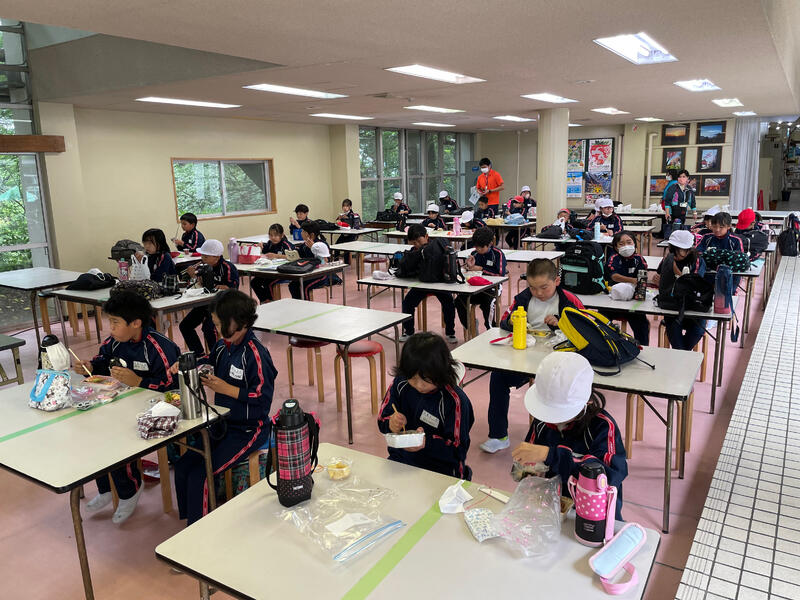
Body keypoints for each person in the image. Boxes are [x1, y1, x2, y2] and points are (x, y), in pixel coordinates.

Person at [73, 291, 180, 524]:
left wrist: (140, 381)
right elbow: (102, 361)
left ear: (136, 323)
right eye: (109, 322)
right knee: (93, 428)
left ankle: (129, 489)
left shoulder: (159, 347)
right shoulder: (114, 342)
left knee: (118, 433)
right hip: (125, 402)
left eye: (115, 322)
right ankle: (106, 487)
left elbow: (173, 388)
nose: (110, 328)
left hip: (157, 409)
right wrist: (89, 366)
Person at [173, 290, 276, 525]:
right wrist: (189, 365)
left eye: (219, 324)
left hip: (250, 429)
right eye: (215, 323)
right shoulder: (222, 346)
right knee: (183, 465)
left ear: (240, 323)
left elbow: (262, 399)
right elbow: (209, 362)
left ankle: (198, 529)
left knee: (200, 474)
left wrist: (227, 388)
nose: (215, 329)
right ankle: (190, 521)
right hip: (222, 423)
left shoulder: (256, 354)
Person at [481, 259, 584, 453]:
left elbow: (586, 329)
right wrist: (511, 322)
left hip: (558, 361)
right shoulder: (523, 298)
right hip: (526, 357)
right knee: (498, 377)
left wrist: (562, 323)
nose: (538, 293)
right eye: (533, 287)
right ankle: (498, 435)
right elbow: (504, 321)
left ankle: (559, 442)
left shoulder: (569, 300)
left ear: (557, 281)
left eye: (544, 287)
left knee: (555, 389)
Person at [511, 352, 627, 519]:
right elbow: (528, 461)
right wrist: (528, 471)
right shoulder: (543, 422)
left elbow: (608, 477)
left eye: (558, 413)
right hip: (552, 509)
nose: (551, 419)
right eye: (547, 411)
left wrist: (550, 455)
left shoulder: (602, 426)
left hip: (595, 515)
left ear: (587, 401)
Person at [377, 333, 474, 479]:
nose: (419, 385)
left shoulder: (454, 401)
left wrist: (426, 442)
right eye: (413, 378)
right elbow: (382, 419)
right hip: (401, 461)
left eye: (426, 380)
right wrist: (391, 423)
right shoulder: (400, 384)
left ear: (441, 373)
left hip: (441, 470)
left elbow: (458, 451)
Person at [179, 239, 239, 356]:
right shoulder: (203, 266)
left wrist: (224, 287)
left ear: (216, 257)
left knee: (209, 328)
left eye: (206, 257)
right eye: (202, 256)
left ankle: (216, 356)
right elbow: (201, 286)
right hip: (205, 304)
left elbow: (233, 289)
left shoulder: (227, 267)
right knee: (185, 326)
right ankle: (199, 354)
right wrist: (194, 276)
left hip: (223, 305)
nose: (202, 259)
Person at [398, 224, 457, 343]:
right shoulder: (415, 251)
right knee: (407, 303)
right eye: (413, 243)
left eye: (418, 241)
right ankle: (409, 331)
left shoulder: (437, 248)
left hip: (439, 283)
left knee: (449, 303)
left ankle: (450, 332)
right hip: (423, 284)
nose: (417, 245)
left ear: (426, 236)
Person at [653, 230, 707, 350]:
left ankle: (682, 354)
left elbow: (694, 285)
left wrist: (676, 272)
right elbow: (658, 276)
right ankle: (683, 354)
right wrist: (658, 280)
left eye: (679, 250)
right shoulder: (668, 258)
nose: (675, 254)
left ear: (689, 250)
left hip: (694, 308)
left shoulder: (697, 261)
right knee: (674, 331)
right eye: (672, 249)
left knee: (697, 331)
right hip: (672, 306)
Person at [455, 227, 506, 332]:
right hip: (475, 288)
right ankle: (470, 326)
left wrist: (482, 269)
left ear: (490, 244)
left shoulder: (497, 254)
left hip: (493, 288)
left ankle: (491, 329)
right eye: (476, 247)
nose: (478, 250)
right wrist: (468, 267)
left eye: (481, 248)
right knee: (459, 301)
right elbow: (469, 271)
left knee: (488, 303)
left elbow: (500, 274)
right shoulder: (474, 254)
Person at [604, 232, 650, 345]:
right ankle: (605, 348)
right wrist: (633, 280)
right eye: (621, 244)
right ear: (616, 247)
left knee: (642, 324)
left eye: (629, 242)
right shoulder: (613, 258)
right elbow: (614, 276)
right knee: (602, 322)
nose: (626, 246)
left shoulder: (639, 259)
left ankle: (643, 348)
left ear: (634, 244)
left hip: (632, 301)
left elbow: (643, 276)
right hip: (613, 300)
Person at [289, 221, 340, 300]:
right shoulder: (304, 245)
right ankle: (298, 304)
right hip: (307, 273)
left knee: (304, 286)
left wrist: (313, 248)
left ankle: (306, 305)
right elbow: (299, 256)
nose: (301, 233)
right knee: (293, 285)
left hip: (320, 275)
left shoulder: (321, 245)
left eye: (303, 231)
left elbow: (325, 261)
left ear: (311, 235)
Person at [251, 224, 294, 303]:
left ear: (282, 235)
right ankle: (265, 300)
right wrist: (261, 248)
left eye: (276, 235)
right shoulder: (269, 243)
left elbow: (293, 257)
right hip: (270, 270)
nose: (273, 237)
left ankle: (272, 302)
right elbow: (265, 254)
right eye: (271, 235)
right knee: (254, 282)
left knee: (268, 283)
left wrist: (277, 256)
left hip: (283, 272)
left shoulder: (286, 245)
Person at [663, 169, 697, 235]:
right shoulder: (673, 187)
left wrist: (694, 213)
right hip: (672, 213)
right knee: (673, 230)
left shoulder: (689, 189)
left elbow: (692, 202)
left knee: (680, 229)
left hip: (683, 212)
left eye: (684, 177)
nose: (681, 179)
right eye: (680, 177)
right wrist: (667, 213)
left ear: (687, 178)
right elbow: (667, 201)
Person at [335, 198, 361, 263]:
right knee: (336, 246)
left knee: (346, 248)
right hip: (344, 235)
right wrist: (338, 219)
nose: (345, 208)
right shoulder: (342, 215)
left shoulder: (354, 215)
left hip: (351, 235)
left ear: (350, 207)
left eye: (347, 206)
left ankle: (346, 263)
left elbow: (355, 227)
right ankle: (336, 262)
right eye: (343, 206)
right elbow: (337, 224)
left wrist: (348, 219)